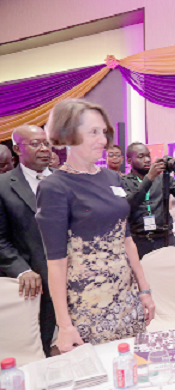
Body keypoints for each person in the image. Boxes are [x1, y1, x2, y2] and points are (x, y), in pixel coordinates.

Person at [36, 99, 155, 352]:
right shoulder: (54, 187)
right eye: (93, 132)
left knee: (134, 363)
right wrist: (65, 325)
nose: (103, 140)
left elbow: (126, 238)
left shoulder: (112, 177)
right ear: (68, 134)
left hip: (127, 295)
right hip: (88, 303)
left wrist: (144, 289)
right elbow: (56, 262)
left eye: (103, 132)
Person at [0, 125, 54, 356]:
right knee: (40, 349)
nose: (44, 149)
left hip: (76, 279)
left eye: (46, 143)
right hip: (37, 283)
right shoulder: (3, 186)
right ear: (17, 149)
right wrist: (22, 271)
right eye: (35, 144)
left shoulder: (67, 181)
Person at [121, 143, 175, 259]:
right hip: (139, 241)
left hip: (165, 239)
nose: (147, 160)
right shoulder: (124, 181)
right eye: (141, 156)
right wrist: (149, 179)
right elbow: (129, 206)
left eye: (148, 156)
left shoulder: (163, 178)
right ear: (129, 160)